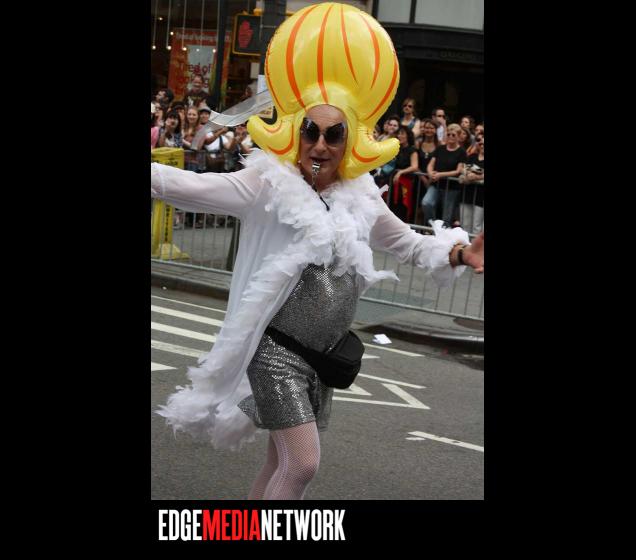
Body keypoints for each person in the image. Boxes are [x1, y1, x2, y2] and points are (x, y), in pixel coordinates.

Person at [151, 3, 484, 501]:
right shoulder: (265, 185)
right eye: (310, 131)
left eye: (334, 134)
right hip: (274, 352)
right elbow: (188, 186)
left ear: (351, 142)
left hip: (321, 358)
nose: (320, 145)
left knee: (279, 461)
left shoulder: (362, 195)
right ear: (294, 133)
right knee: (302, 464)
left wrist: (459, 255)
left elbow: (408, 244)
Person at [422, 123, 467, 227]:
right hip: (436, 184)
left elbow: (458, 171)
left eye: (453, 135)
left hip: (452, 187)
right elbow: (431, 164)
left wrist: (440, 174)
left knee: (447, 216)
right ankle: (433, 226)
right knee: (426, 203)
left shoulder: (462, 152)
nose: (450, 137)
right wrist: (430, 173)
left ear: (458, 136)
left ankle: (444, 233)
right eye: (448, 134)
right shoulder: (440, 148)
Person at [389, 125, 420, 223]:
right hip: (394, 182)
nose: (399, 136)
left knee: (403, 206)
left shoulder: (412, 150)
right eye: (398, 133)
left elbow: (414, 166)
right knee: (393, 205)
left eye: (402, 133)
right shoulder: (396, 149)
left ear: (408, 136)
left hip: (406, 183)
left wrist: (401, 172)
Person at [459, 133, 485, 233]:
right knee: (465, 225)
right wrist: (469, 175)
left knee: (477, 227)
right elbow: (464, 170)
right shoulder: (472, 157)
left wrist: (476, 176)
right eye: (480, 143)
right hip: (467, 195)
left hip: (481, 198)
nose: (482, 146)